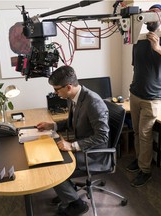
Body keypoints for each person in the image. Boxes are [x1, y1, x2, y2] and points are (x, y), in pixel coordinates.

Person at [36, 65, 109, 216]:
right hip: (83, 146)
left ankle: (77, 205)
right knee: (49, 155)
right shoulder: (73, 97)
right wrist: (53, 125)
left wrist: (73, 145)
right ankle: (68, 192)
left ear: (68, 87)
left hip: (94, 153)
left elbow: (102, 136)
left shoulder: (93, 102)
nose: (55, 93)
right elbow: (72, 123)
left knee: (54, 165)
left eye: (57, 89)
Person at [126, 4, 161, 187]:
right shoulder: (139, 39)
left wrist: (158, 47)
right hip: (135, 94)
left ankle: (145, 170)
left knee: (144, 134)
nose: (152, 18)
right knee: (136, 131)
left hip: (153, 98)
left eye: (156, 15)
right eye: (149, 14)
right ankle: (139, 159)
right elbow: (137, 67)